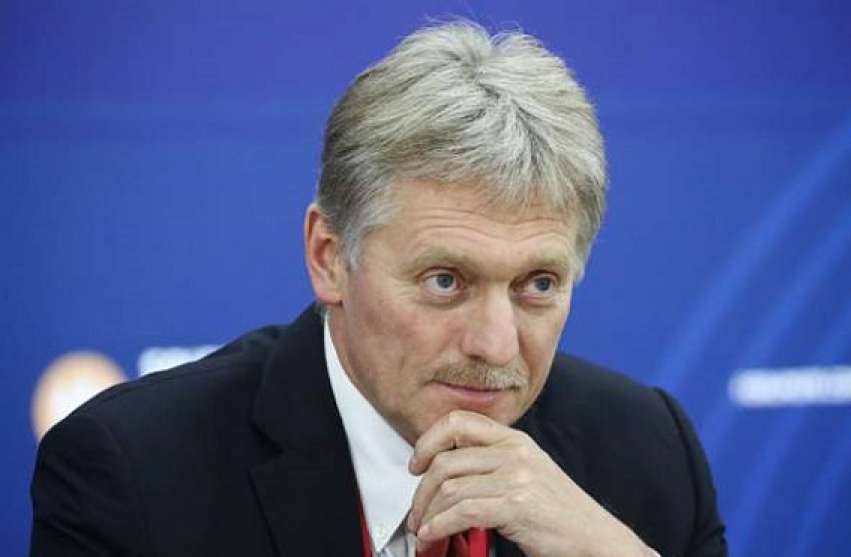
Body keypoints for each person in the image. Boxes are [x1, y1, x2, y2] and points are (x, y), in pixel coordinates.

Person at [30, 20, 726, 557]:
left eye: (537, 284)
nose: (494, 345)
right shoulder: (134, 474)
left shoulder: (649, 458)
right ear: (330, 257)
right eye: (446, 281)